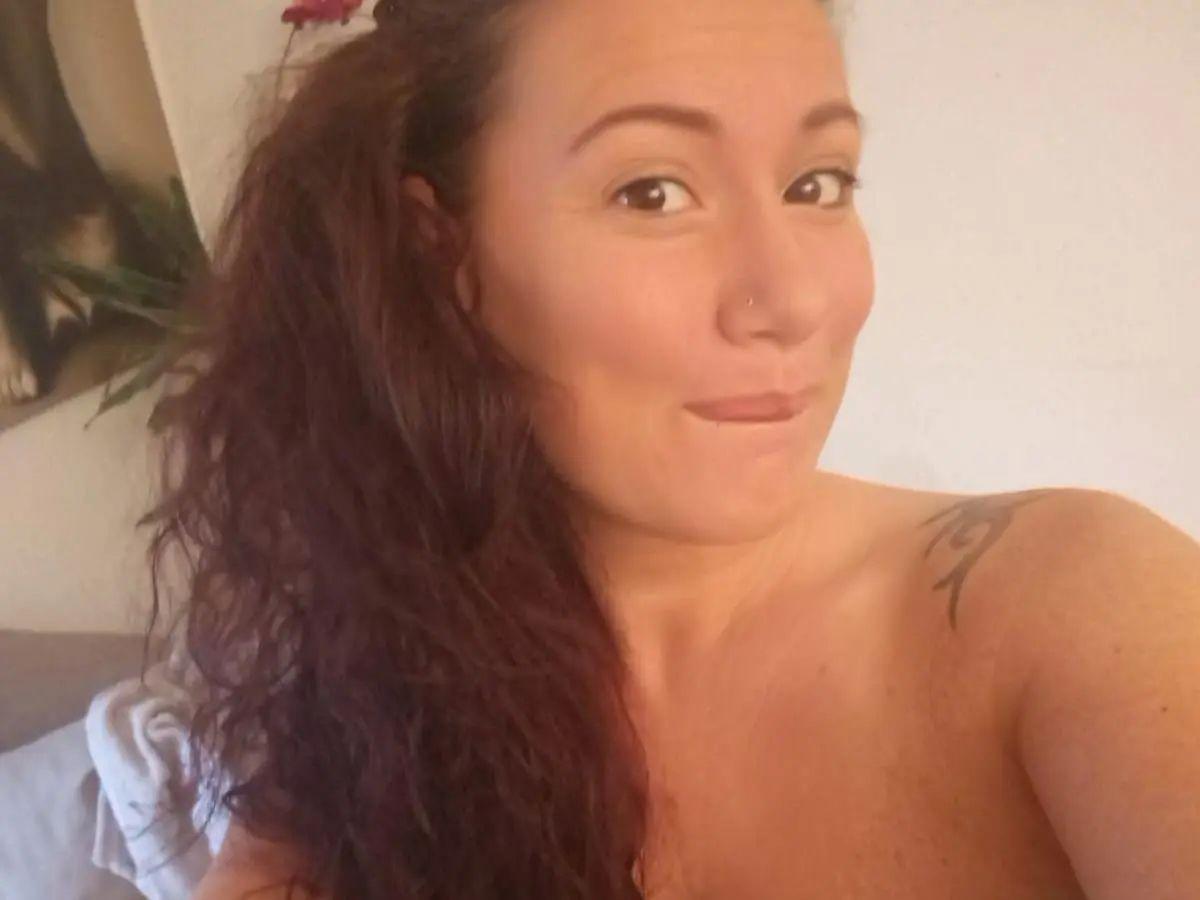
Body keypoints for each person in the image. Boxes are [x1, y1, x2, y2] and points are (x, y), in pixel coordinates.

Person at [160, 0, 1200, 897]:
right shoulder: (382, 682)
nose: (792, 300)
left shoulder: (1076, 609)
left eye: (818, 183)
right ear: (441, 252)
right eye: (653, 191)